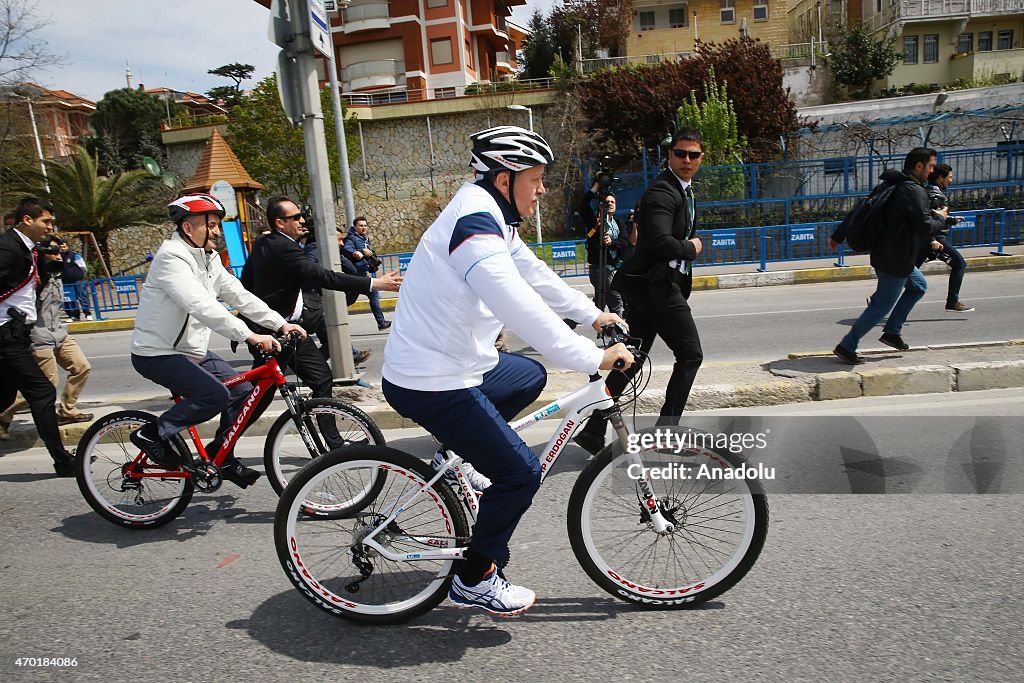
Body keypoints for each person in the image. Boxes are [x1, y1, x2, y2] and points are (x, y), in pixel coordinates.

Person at [381, 125, 633, 615]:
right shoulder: (473, 227)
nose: (542, 189)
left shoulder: (494, 217)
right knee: (519, 473)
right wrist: (588, 356)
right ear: (504, 179)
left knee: (528, 376)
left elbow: (534, 276)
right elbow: (515, 302)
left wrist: (592, 314)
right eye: (536, 178)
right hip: (431, 379)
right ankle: (473, 579)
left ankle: (455, 458)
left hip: (461, 364)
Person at [129, 194, 308, 488]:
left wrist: (280, 323)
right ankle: (153, 433)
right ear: (188, 228)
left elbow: (239, 296)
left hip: (191, 350)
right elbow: (201, 305)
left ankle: (219, 456)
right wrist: (250, 335)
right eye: (210, 224)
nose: (216, 231)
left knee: (243, 392)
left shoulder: (208, 258)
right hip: (157, 352)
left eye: (217, 225)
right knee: (214, 396)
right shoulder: (171, 259)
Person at [574, 129, 706, 456]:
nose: (687, 160)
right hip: (656, 287)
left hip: (650, 287)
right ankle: (666, 432)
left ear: (701, 158)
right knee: (691, 356)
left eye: (694, 155)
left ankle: (593, 430)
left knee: (630, 360)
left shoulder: (682, 190)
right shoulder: (664, 191)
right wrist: (692, 247)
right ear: (669, 155)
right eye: (681, 153)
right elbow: (660, 242)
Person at [240, 196, 401, 415]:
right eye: (295, 217)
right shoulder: (283, 247)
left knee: (322, 379)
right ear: (280, 223)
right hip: (274, 333)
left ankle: (332, 446)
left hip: (288, 331)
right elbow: (323, 276)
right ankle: (222, 443)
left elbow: (247, 282)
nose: (302, 221)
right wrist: (374, 282)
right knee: (261, 393)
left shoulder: (265, 243)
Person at [829, 147, 947, 364]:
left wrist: (838, 235)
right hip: (897, 259)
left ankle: (892, 331)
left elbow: (859, 209)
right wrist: (941, 218)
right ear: (919, 166)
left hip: (887, 253)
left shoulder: (891, 184)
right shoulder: (914, 191)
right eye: (930, 166)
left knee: (918, 286)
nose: (932, 171)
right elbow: (924, 227)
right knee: (881, 305)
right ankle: (847, 346)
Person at [0, 197, 77, 475]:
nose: (50, 226)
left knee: (5, 397)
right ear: (27, 220)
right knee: (42, 391)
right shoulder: (7, 249)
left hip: (19, 334)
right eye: (45, 221)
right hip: (5, 334)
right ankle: (63, 461)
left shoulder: (28, 249)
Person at [0, 233, 93, 437]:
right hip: (38, 336)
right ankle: (3, 416)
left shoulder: (57, 274)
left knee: (81, 367)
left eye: (59, 251)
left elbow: (75, 276)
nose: (57, 255)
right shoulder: (31, 276)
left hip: (59, 333)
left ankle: (67, 410)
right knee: (44, 386)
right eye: (52, 252)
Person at [299, 229, 373, 367]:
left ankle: (351, 355)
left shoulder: (333, 252)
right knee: (333, 337)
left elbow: (351, 269)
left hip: (319, 300)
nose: (342, 243)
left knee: (333, 335)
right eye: (338, 240)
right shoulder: (316, 249)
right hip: (315, 302)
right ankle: (311, 366)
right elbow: (309, 268)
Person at [922, 163, 973, 313]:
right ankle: (952, 301)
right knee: (959, 264)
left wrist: (951, 219)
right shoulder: (936, 195)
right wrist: (932, 240)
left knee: (908, 272)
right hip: (936, 239)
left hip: (930, 238)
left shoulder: (931, 192)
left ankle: (879, 298)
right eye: (949, 177)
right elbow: (929, 219)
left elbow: (934, 217)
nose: (951, 180)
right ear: (940, 178)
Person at [579, 182, 628, 318]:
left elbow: (624, 241)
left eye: (613, 202)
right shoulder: (594, 221)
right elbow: (583, 206)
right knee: (616, 300)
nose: (610, 204)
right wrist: (595, 188)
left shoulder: (618, 223)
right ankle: (618, 330)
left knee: (600, 302)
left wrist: (612, 243)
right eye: (607, 202)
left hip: (614, 266)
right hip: (599, 268)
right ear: (602, 205)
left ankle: (584, 321)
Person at [343, 216, 391, 331]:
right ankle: (327, 316)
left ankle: (381, 322)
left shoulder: (365, 239)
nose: (363, 228)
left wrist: (372, 262)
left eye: (365, 225)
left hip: (361, 275)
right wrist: (358, 253)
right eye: (361, 225)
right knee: (348, 300)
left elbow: (365, 255)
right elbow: (347, 250)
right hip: (355, 276)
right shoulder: (351, 239)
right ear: (355, 227)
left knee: (365, 295)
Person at [59, 238, 92, 320]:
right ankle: (74, 316)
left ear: (67, 246)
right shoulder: (59, 256)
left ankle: (87, 314)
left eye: (64, 246)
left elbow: (83, 267)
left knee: (82, 297)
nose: (62, 248)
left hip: (78, 281)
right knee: (70, 299)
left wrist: (81, 277)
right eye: (61, 247)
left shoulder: (74, 255)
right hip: (66, 282)